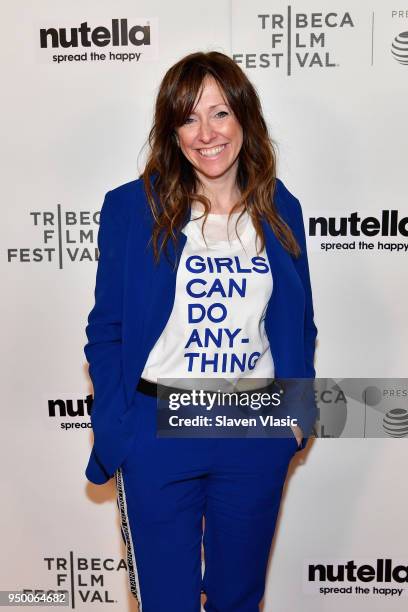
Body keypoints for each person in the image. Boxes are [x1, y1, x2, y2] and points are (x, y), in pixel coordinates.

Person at [84, 50, 318, 611]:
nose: (206, 133)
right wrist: (120, 431)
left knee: (239, 598)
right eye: (188, 117)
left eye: (219, 113)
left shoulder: (281, 207)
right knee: (168, 602)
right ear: (172, 130)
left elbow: (299, 321)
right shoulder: (130, 208)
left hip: (252, 426)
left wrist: (297, 416)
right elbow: (107, 329)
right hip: (157, 429)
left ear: (244, 119)